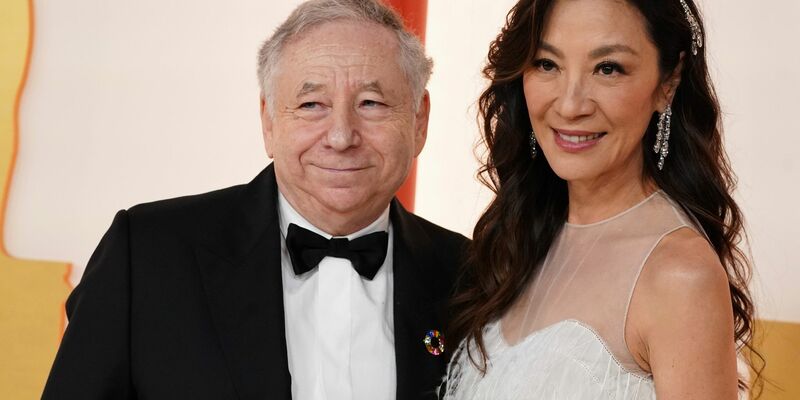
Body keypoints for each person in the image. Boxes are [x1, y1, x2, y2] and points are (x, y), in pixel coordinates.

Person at [42, 1, 467, 399]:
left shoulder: (475, 275)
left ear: (419, 120)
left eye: (371, 103)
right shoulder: (147, 255)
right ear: (268, 121)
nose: (341, 137)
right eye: (311, 104)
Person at [442, 0, 761, 399]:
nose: (571, 105)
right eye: (546, 64)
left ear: (669, 82)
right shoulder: (518, 240)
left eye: (608, 68)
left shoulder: (678, 275)